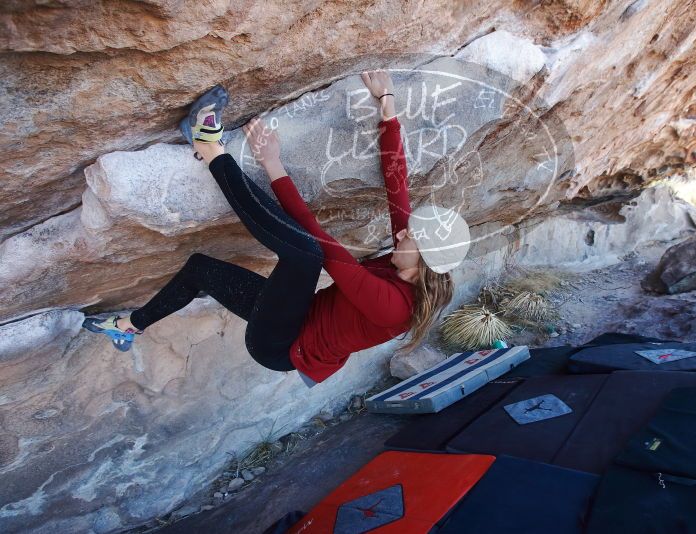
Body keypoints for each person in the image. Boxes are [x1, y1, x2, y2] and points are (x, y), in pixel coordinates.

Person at [82, 70, 470, 387]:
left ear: (424, 260)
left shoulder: (392, 305)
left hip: (282, 346)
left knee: (308, 254)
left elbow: (318, 240)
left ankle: (210, 146)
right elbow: (396, 184)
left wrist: (273, 164)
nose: (401, 233)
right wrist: (387, 106)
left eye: (410, 237)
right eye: (409, 230)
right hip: (295, 313)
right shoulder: (417, 262)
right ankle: (129, 326)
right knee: (200, 269)